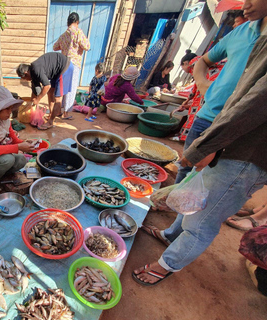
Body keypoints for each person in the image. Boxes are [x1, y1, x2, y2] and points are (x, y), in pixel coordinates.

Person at [132, 0, 267, 286]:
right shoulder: (247, 30)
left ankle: (166, 265)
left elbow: (255, 105)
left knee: (203, 218)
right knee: (192, 192)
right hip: (215, 128)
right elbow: (209, 67)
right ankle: (170, 235)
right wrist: (208, 90)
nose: (247, 3)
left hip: (244, 148)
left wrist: (207, 147)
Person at [174, 3, 264, 184]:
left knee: (211, 183)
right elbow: (202, 62)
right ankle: (174, 208)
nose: (246, 4)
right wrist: (202, 84)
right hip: (207, 117)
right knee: (185, 171)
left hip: (240, 131)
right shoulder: (240, 32)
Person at [175, 50, 226, 141]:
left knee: (197, 114)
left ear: (186, 63)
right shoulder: (204, 62)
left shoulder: (196, 64)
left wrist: (187, 102)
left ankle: (187, 138)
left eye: (183, 67)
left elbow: (197, 88)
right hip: (219, 92)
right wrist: (187, 104)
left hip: (210, 89)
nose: (184, 70)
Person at [16, 52, 74, 130]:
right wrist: (31, 103)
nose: (26, 80)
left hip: (65, 67)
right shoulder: (33, 74)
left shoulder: (36, 69)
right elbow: (34, 92)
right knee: (50, 93)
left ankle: (50, 122)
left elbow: (47, 86)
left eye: (24, 78)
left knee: (58, 98)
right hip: (55, 71)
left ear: (26, 73)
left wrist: (38, 99)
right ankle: (51, 114)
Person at [53, 12, 90, 120]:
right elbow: (87, 46)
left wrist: (65, 47)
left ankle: (59, 110)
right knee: (71, 89)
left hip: (63, 63)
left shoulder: (64, 34)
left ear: (68, 22)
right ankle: (66, 113)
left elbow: (55, 47)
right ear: (77, 22)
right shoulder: (78, 32)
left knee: (63, 88)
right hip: (74, 64)